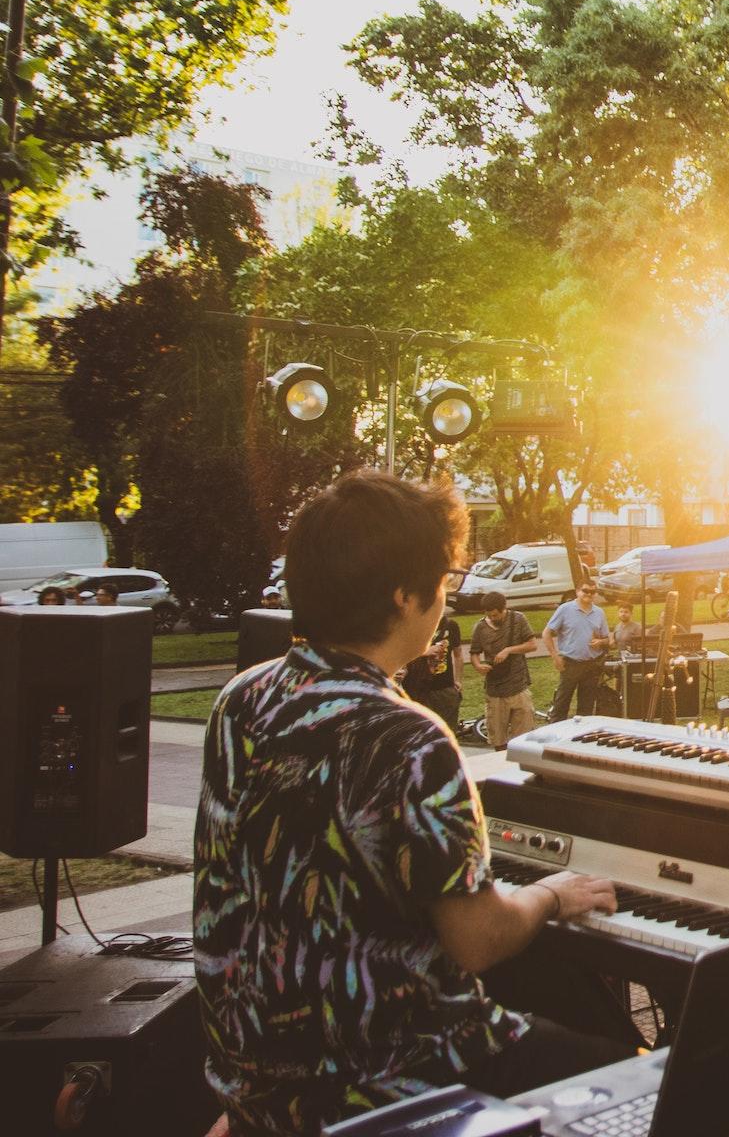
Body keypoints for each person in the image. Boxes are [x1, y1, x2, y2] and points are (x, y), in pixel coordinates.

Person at [194, 472, 636, 1136]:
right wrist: (550, 895)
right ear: (405, 596)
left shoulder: (242, 700)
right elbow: (478, 940)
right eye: (445, 578)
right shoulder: (409, 737)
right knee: (626, 1068)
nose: (447, 597)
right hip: (398, 1074)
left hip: (258, 1072)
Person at [470, 591, 540, 748]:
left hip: (518, 687)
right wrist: (478, 665)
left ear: (504, 609)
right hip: (495, 690)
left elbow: (532, 645)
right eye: (489, 616)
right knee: (498, 740)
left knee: (522, 741)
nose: (492, 619)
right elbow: (474, 653)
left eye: (495, 615)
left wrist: (508, 650)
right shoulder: (480, 627)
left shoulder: (518, 619)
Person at [543, 581, 611, 719]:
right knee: (561, 704)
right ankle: (556, 735)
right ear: (577, 591)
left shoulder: (599, 613)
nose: (589, 594)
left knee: (586, 709)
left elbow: (608, 639)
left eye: (593, 592)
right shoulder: (565, 609)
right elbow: (546, 633)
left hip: (592, 665)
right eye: (585, 591)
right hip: (570, 664)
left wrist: (601, 642)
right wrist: (555, 656)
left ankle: (581, 736)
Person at [402, 605, 464, 730]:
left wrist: (458, 680)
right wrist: (425, 652)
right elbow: (401, 653)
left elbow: (458, 655)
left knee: (449, 731)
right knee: (425, 730)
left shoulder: (450, 626)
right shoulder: (413, 625)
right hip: (420, 689)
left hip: (445, 687)